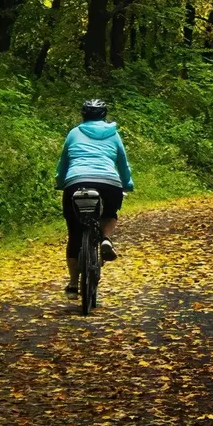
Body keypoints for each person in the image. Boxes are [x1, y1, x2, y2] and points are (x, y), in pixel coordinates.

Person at [55, 98, 134, 298]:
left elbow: (63, 162)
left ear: (83, 115)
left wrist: (60, 182)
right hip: (109, 182)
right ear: (104, 115)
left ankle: (73, 286)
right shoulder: (113, 134)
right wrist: (128, 183)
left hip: (76, 182)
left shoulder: (74, 133)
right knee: (109, 213)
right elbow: (122, 163)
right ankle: (105, 239)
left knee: (74, 232)